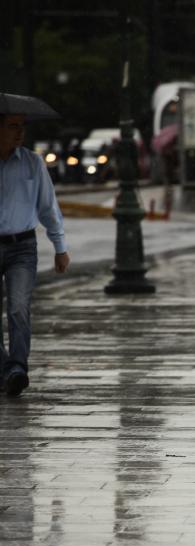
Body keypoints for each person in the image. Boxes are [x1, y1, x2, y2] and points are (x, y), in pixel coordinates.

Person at [0, 113, 71, 398]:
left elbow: (48, 207)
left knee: (18, 307)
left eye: (22, 127)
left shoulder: (33, 162)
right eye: (12, 126)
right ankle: (4, 368)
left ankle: (17, 368)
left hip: (22, 247)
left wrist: (60, 246)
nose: (19, 133)